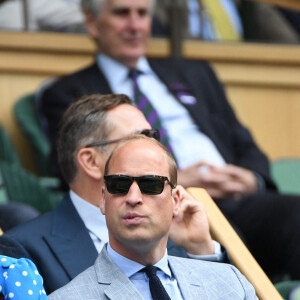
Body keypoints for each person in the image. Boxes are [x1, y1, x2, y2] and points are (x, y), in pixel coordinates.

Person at [40, 0, 300, 280]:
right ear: (92, 22)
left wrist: (250, 179)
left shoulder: (196, 73)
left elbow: (244, 143)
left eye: (142, 14)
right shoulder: (69, 92)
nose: (134, 25)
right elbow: (67, 165)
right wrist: (171, 179)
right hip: (163, 200)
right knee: (217, 236)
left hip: (236, 198)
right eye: (121, 13)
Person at [0, 94, 228, 294]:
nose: (152, 148)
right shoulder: (23, 249)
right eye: (139, 138)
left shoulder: (175, 232)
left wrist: (200, 250)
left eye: (153, 137)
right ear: (91, 161)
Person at [49, 135, 257, 300]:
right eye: (119, 185)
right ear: (103, 199)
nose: (133, 198)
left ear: (175, 200)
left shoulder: (231, 282)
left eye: (150, 184)